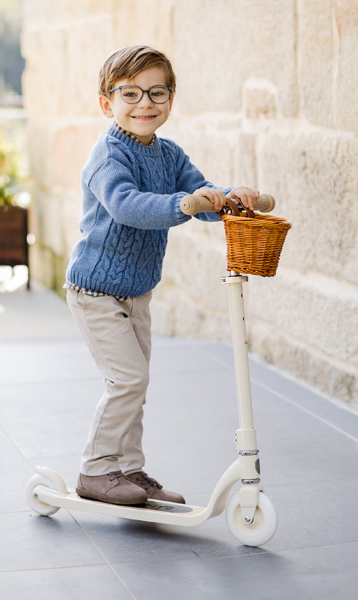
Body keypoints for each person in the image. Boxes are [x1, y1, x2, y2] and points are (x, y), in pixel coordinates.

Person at [65, 45, 259, 506]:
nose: (145, 103)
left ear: (171, 98)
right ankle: (95, 471)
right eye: (130, 93)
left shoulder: (169, 155)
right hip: (95, 290)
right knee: (127, 380)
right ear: (106, 103)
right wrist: (181, 205)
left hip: (136, 291)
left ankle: (127, 469)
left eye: (157, 92)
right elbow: (126, 206)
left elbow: (200, 194)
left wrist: (231, 197)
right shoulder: (107, 155)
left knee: (136, 384)